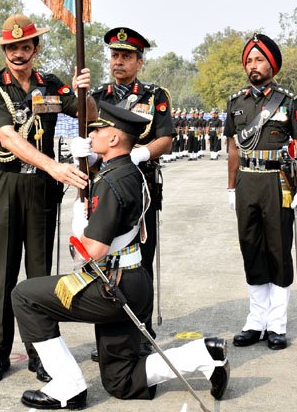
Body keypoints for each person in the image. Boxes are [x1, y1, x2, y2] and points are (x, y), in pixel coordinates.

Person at [11, 102, 229, 410]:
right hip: (134, 282)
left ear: (114, 139)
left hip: (112, 287)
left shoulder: (113, 182)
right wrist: (80, 162)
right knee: (121, 381)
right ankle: (203, 355)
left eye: (97, 130)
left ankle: (67, 385)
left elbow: (89, 251)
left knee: (25, 296)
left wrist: (77, 217)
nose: (91, 135)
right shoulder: (130, 173)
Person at [0, 14, 94, 384]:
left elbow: (87, 117)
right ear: (4, 51)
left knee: (40, 275)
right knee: (5, 273)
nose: (18, 53)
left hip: (43, 189)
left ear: (35, 48)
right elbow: (9, 138)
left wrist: (82, 93)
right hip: (8, 184)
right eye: (11, 48)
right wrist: (54, 167)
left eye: (25, 46)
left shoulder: (53, 84)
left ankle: (41, 353)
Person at [77, 27, 174, 359]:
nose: (119, 62)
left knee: (140, 262)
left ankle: (142, 332)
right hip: (104, 186)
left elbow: (165, 137)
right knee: (104, 260)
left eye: (126, 56)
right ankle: (110, 333)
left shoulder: (154, 95)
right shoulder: (97, 96)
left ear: (139, 61)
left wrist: (141, 152)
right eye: (115, 55)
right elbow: (91, 138)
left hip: (140, 187)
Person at [225, 33, 297, 350]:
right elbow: (233, 148)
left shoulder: (289, 102)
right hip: (247, 181)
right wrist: (231, 186)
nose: (253, 65)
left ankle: (276, 324)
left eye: (259, 59)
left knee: (278, 250)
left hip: (278, 183)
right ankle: (255, 321)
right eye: (249, 60)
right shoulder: (236, 102)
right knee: (251, 249)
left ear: (272, 64)